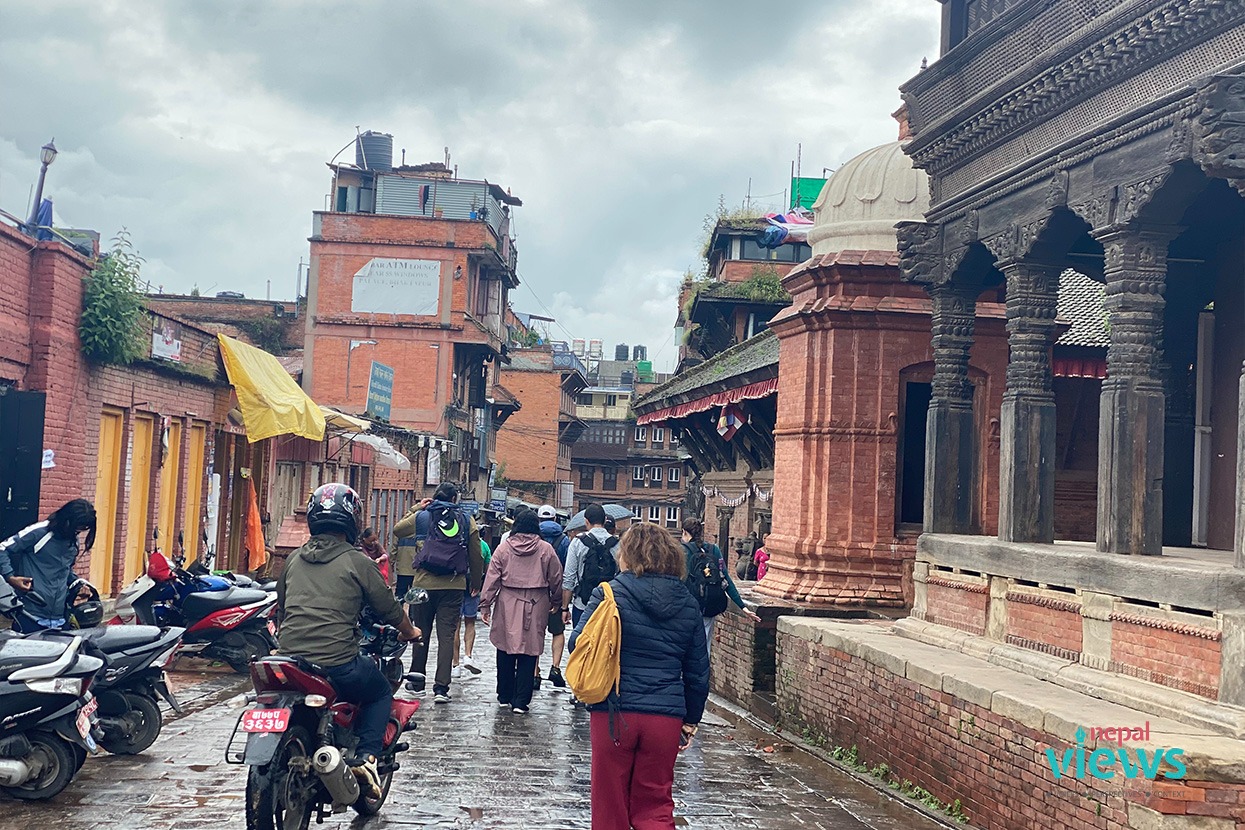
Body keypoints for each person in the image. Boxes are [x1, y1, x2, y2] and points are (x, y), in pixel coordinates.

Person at [276, 483, 421, 798]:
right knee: (380, 692)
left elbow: (283, 607)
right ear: (353, 521)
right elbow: (388, 607)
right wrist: (410, 631)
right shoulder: (357, 562)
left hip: (289, 660)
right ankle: (366, 758)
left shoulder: (293, 559)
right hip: (337, 663)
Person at [569, 522, 709, 830]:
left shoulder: (608, 594)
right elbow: (698, 669)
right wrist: (691, 719)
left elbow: (577, 643)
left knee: (610, 803)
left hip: (614, 712)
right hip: (665, 717)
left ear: (628, 555)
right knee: (656, 803)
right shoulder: (688, 603)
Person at [393, 483, 484, 703]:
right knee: (446, 635)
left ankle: (417, 681)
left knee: (420, 631)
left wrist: (417, 508)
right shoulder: (465, 519)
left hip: (423, 583)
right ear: (455, 498)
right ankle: (441, 688)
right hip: (453, 585)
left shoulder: (423, 517)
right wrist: (476, 581)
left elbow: (398, 530)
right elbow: (476, 554)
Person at [479, 510, 562, 714]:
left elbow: (492, 578)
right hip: (537, 600)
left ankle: (504, 694)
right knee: (530, 650)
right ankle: (521, 700)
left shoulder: (503, 548)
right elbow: (556, 577)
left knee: (504, 646)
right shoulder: (546, 549)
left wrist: (485, 604)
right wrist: (557, 600)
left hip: (508, 600)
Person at [0, 499, 97, 632]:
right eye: (76, 528)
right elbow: (3, 548)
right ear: (66, 520)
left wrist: (78, 585)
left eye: (80, 530)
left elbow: (65, 571)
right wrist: (10, 577)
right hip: (29, 615)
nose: (77, 533)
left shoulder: (73, 541)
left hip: (60, 619)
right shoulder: (39, 532)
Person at [681, 517, 761, 658]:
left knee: (686, 647)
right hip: (709, 606)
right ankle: (702, 676)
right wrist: (743, 607)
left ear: (684, 532)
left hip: (687, 607)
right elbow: (726, 579)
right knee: (704, 646)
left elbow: (679, 581)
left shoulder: (683, 551)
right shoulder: (714, 549)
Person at [562, 504, 620, 629]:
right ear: (604, 520)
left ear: (586, 521)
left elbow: (569, 577)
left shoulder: (577, 542)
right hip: (609, 605)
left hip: (582, 604)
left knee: (581, 643)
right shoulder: (617, 544)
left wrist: (565, 608)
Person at [537, 504, 571, 689]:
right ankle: (555, 668)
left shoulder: (534, 538)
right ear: (556, 519)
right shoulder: (564, 540)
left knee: (536, 632)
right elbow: (567, 569)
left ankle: (534, 673)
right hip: (557, 593)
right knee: (558, 631)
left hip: (536, 592)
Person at [453, 531, 491, 679]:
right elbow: (488, 570)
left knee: (454, 625)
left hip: (456, 585)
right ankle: (468, 656)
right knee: (470, 622)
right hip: (473, 586)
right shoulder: (483, 546)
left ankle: (455, 664)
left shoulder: (456, 543)